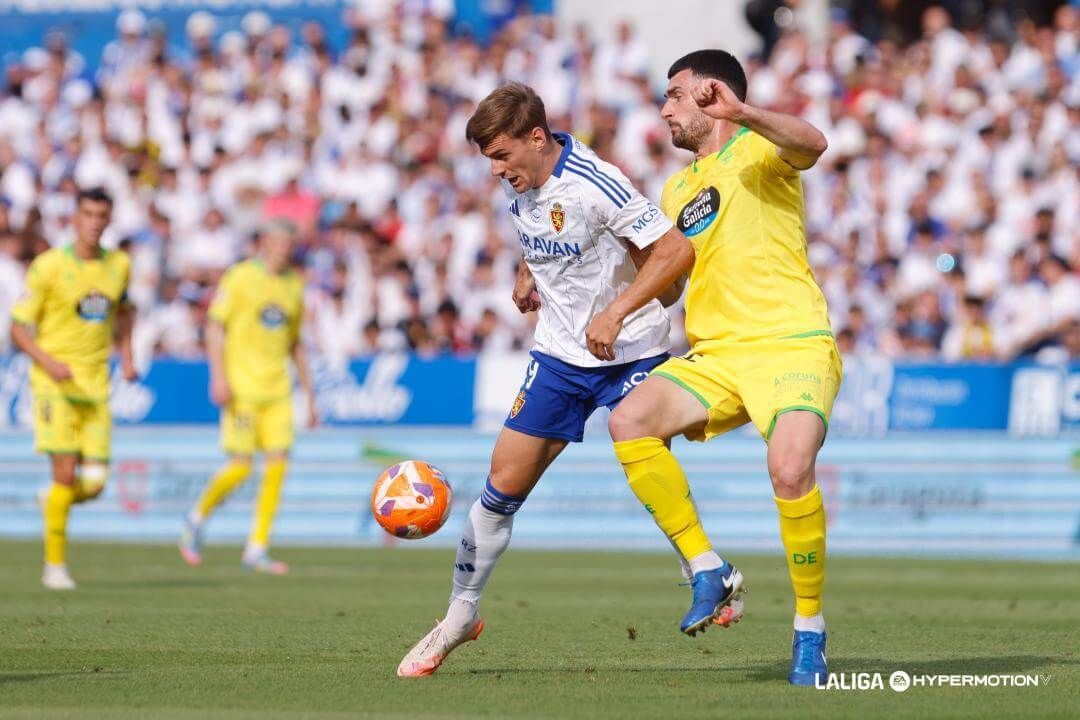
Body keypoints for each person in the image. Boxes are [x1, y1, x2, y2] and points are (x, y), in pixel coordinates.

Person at [397, 82, 694, 677]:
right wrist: (528, 268)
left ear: (537, 138)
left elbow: (674, 252)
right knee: (500, 488)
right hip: (561, 355)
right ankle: (459, 616)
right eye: (489, 159)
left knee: (644, 458)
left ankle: (702, 572)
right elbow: (548, 227)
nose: (496, 170)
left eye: (501, 156)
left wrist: (615, 313)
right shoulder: (524, 179)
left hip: (631, 349)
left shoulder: (597, 180)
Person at [594, 50, 841, 686]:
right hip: (718, 354)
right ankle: (708, 568)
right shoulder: (677, 189)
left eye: (674, 95)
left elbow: (814, 143)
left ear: (711, 94)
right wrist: (633, 254)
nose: (664, 110)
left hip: (790, 342)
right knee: (628, 421)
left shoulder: (761, 149)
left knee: (790, 469)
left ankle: (809, 628)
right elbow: (675, 289)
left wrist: (744, 112)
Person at [10, 187, 137, 590]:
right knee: (64, 474)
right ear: (75, 218)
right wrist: (48, 362)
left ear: (109, 219)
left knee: (95, 484)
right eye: (88, 214)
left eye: (101, 215)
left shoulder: (119, 265)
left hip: (96, 385)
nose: (94, 222)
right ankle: (55, 567)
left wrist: (127, 355)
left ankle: (53, 501)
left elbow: (126, 311)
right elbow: (18, 328)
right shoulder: (48, 267)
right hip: (54, 385)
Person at [178, 218, 317, 573]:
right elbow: (215, 325)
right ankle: (196, 518)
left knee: (278, 466)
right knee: (241, 467)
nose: (283, 249)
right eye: (277, 241)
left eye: (289, 243)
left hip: (278, 390)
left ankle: (257, 547)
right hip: (242, 388)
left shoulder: (294, 285)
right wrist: (218, 376)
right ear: (265, 242)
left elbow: (296, 342)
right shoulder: (240, 277)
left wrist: (310, 394)